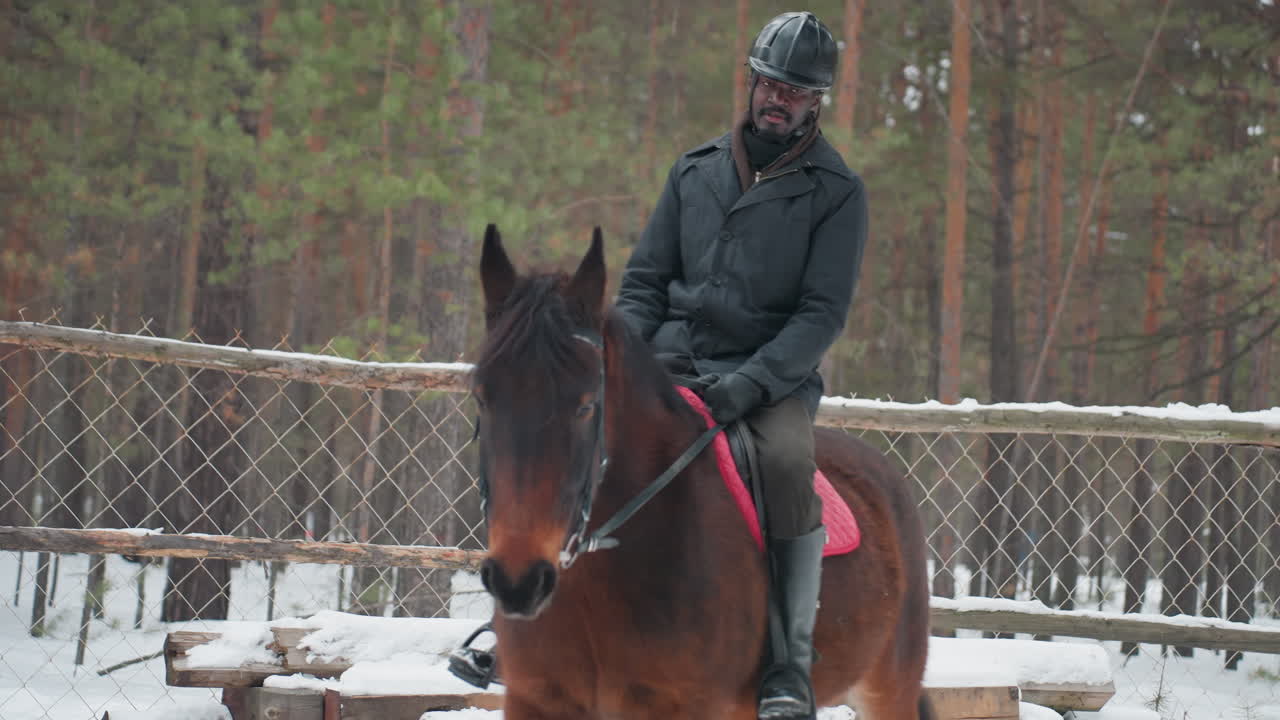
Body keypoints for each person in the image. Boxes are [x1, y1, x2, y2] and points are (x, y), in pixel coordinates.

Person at [450, 12, 866, 720]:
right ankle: (517, 624)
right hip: (665, 365)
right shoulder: (695, 169)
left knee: (790, 467)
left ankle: (788, 666)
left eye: (794, 91)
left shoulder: (836, 193)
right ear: (750, 80)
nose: (777, 97)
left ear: (815, 101)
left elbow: (819, 317)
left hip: (768, 386)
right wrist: (617, 358)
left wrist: (753, 381)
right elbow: (643, 282)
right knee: (571, 445)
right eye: (768, 82)